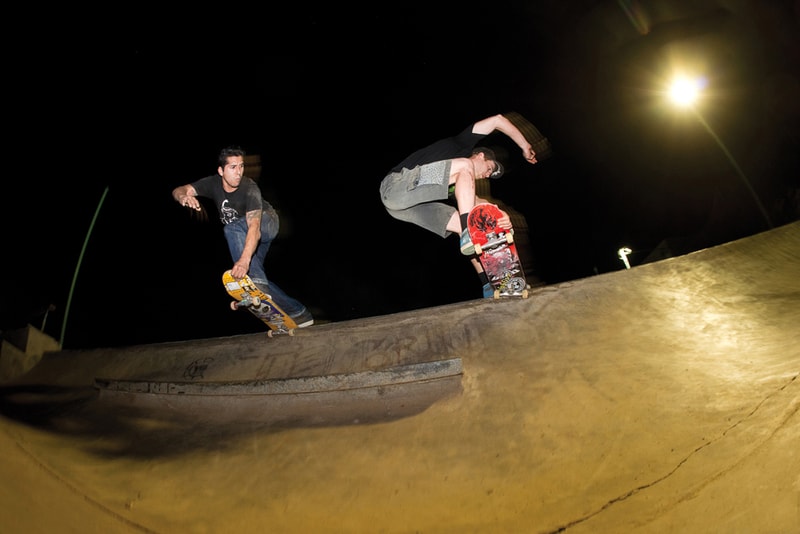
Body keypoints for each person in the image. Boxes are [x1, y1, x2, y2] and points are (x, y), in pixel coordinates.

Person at [380, 113, 539, 297]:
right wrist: (525, 145)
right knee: (465, 169)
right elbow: (498, 120)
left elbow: (481, 206)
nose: (486, 175)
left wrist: (500, 215)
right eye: (489, 168)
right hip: (397, 184)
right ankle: (468, 233)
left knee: (476, 222)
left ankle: (492, 284)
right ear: (480, 156)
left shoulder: (460, 184)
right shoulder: (461, 146)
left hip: (404, 207)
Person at [172, 146, 314, 327]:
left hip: (266, 223)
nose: (239, 172)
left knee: (232, 229)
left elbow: (254, 227)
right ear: (221, 171)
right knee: (256, 281)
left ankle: (258, 286)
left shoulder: (249, 187)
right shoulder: (211, 184)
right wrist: (184, 197)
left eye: (241, 166)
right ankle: (299, 313)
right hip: (248, 239)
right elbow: (178, 189)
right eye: (233, 167)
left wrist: (244, 261)